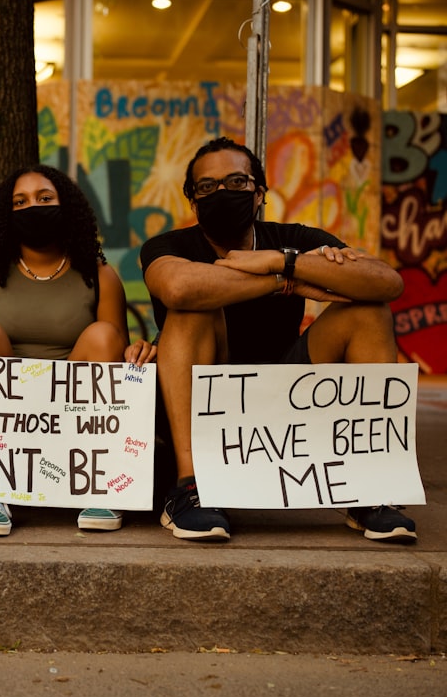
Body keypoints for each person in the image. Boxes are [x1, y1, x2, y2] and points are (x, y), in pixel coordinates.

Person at [140, 136, 413, 543]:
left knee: (367, 311)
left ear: (259, 193)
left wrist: (279, 258)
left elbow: (385, 282)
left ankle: (370, 488)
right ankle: (190, 489)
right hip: (200, 403)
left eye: (236, 183)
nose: (222, 193)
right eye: (207, 186)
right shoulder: (168, 245)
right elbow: (180, 288)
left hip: (285, 396)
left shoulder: (292, 238)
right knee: (190, 312)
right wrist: (285, 281)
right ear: (193, 202)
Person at [0, 164, 156, 537]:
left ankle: (98, 484)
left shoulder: (99, 273)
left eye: (44, 198)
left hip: (69, 407)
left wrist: (138, 353)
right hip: (1, 406)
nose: (33, 206)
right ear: (7, 213)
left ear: (66, 206)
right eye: (20, 201)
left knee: (103, 334)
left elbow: (115, 349)